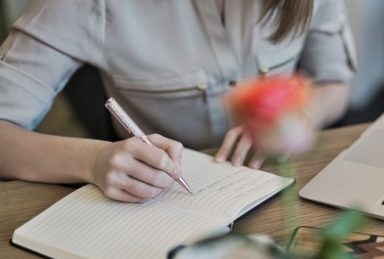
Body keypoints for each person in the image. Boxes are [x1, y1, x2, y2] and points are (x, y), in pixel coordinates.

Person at [0, 0, 356, 203]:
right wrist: (93, 160)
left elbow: (335, 84)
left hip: (286, 191)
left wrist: (302, 116)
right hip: (163, 205)